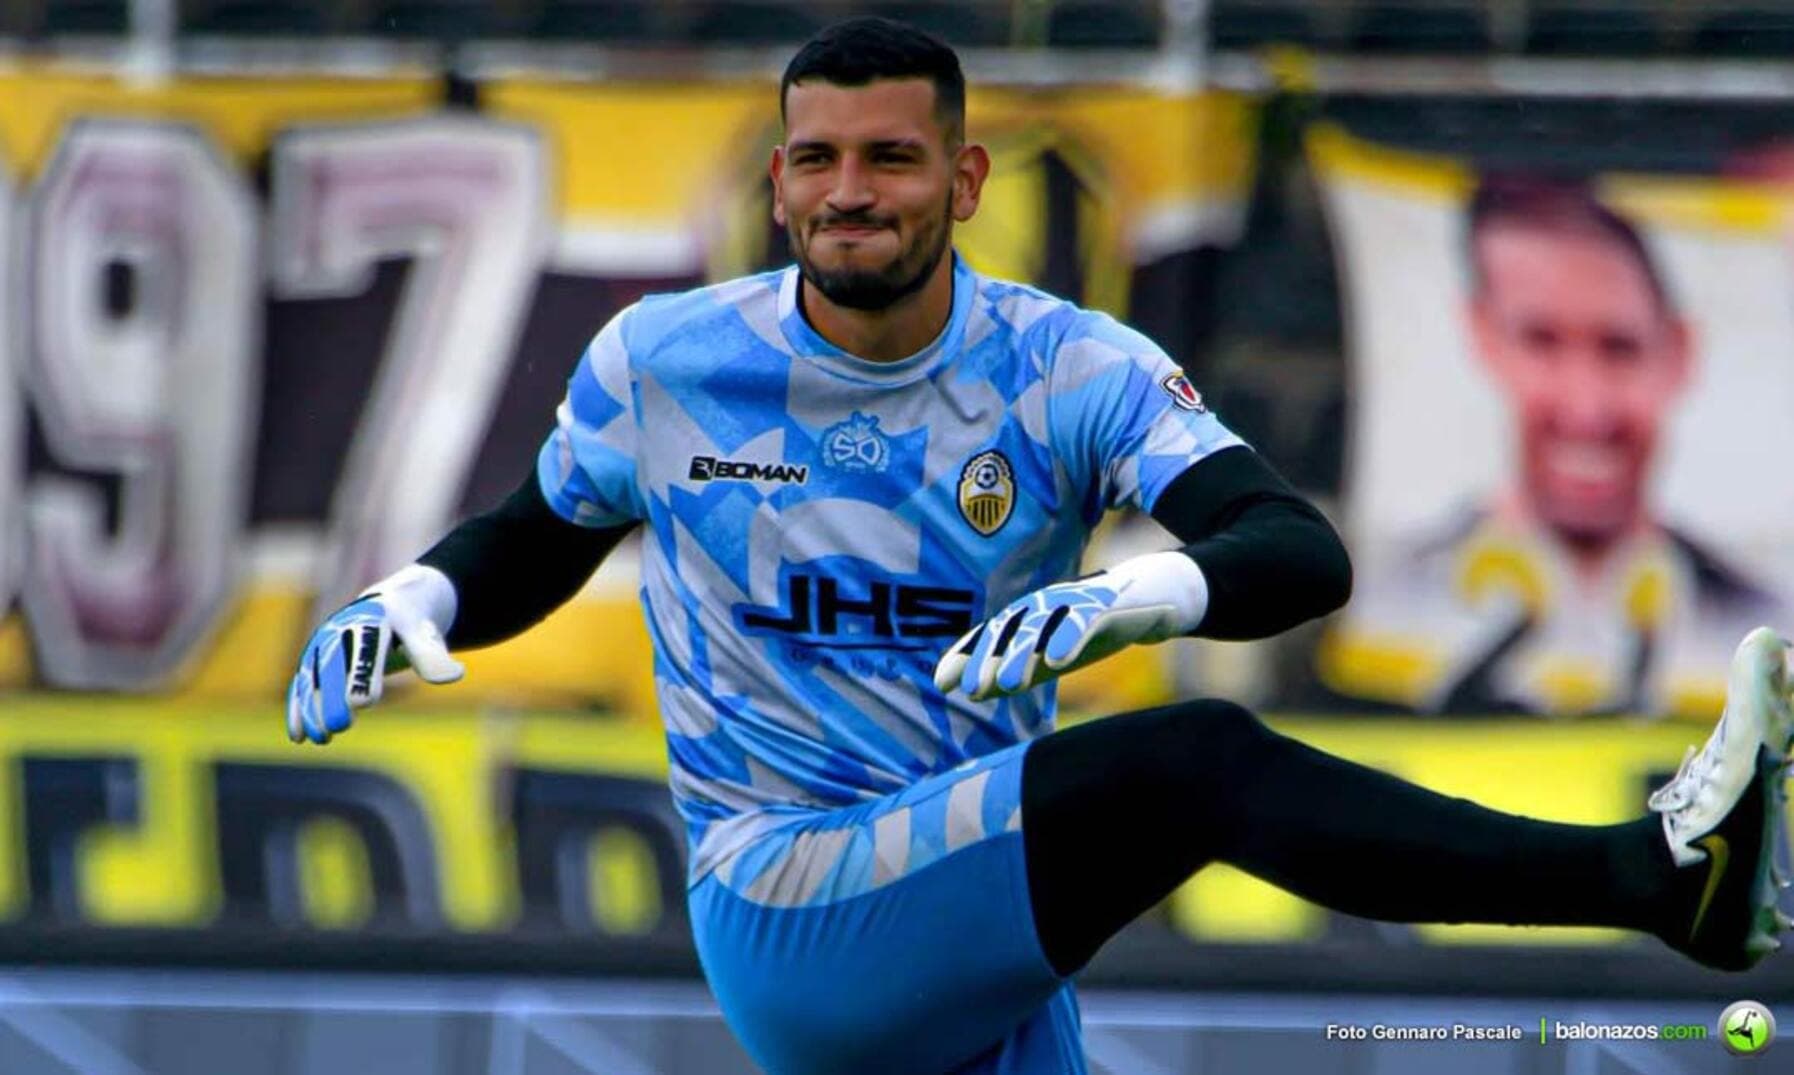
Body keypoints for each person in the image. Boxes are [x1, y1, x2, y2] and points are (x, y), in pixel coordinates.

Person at [285, 21, 1793, 1075]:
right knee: (1191, 766)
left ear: (966, 178)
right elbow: (544, 528)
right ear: (778, 182)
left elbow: (1291, 550)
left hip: (971, 897)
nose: (848, 192)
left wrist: (1145, 590)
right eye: (815, 161)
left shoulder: (1067, 369)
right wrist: (417, 591)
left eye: (887, 157)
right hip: (787, 899)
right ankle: (1656, 878)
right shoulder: (668, 359)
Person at [1328, 176, 1786, 716]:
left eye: (1619, 347)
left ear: (1679, 352)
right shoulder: (1394, 597)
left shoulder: (1762, 624)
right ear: (1482, 337)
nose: (1585, 407)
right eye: (1541, 341)